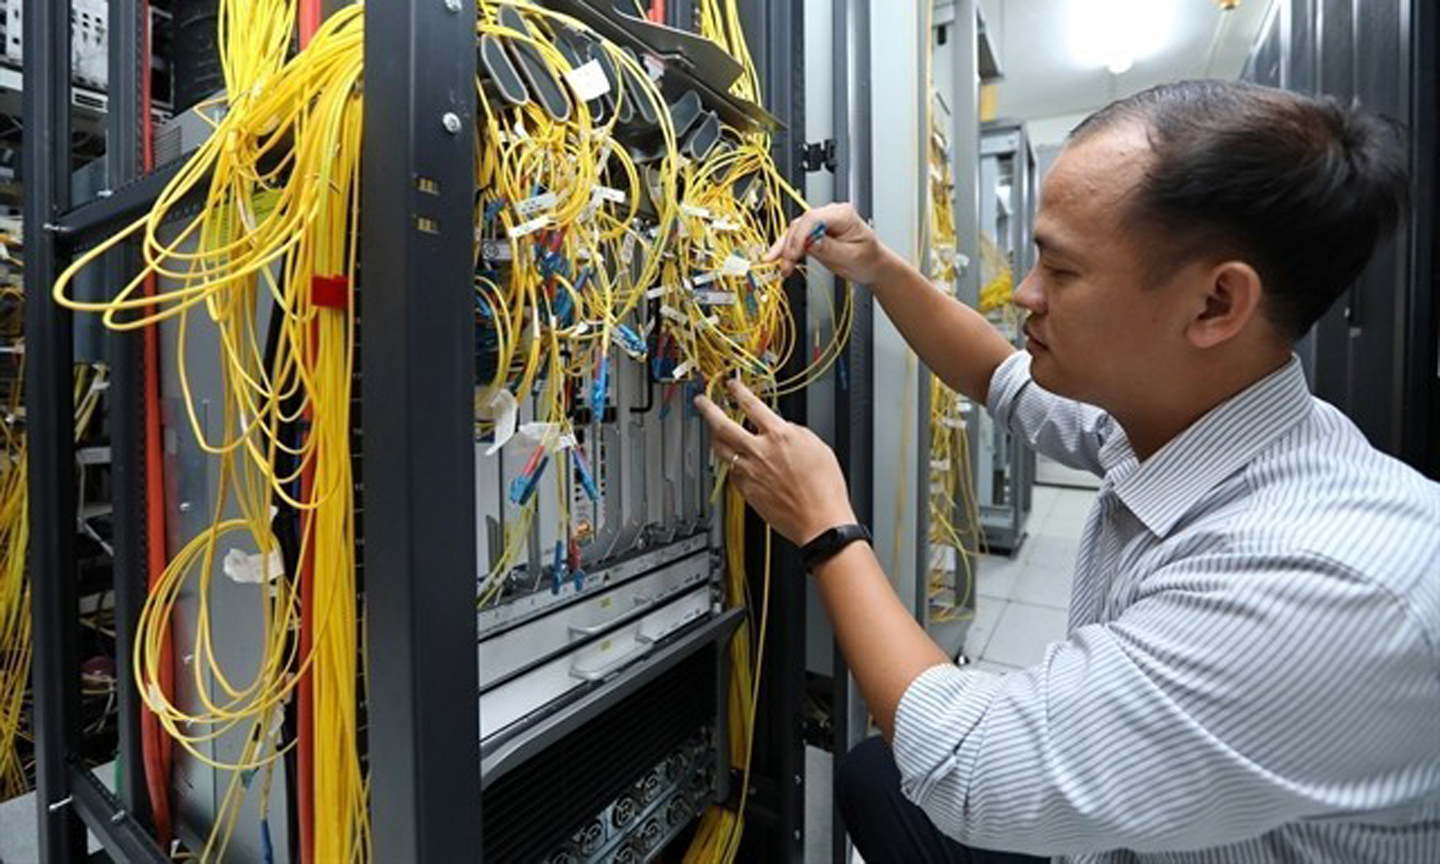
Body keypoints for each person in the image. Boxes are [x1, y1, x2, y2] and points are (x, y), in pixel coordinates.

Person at [692, 80, 1440, 862]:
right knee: (877, 777)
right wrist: (878, 267)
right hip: (1126, 833)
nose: (1024, 292)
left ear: (1217, 303)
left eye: (1062, 270)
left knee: (914, 773)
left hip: (1107, 832)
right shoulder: (1188, 414)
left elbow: (970, 773)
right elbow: (996, 377)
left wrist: (825, 526)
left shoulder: (1321, 585)